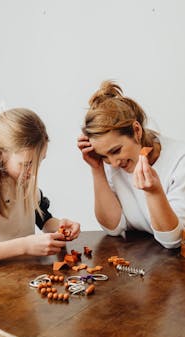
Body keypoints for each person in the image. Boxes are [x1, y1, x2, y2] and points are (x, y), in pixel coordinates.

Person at [0, 107, 80, 337]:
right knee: (9, 334)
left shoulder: (21, 176)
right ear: (0, 155)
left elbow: (44, 218)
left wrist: (61, 225)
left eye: (38, 162)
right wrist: (23, 245)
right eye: (26, 163)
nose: (32, 172)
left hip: (14, 280)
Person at [78, 80, 185, 249]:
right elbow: (113, 228)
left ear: (136, 130)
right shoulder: (110, 164)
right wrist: (97, 168)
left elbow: (174, 240)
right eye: (104, 156)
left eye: (116, 150)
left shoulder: (180, 160)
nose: (113, 163)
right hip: (141, 259)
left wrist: (154, 193)